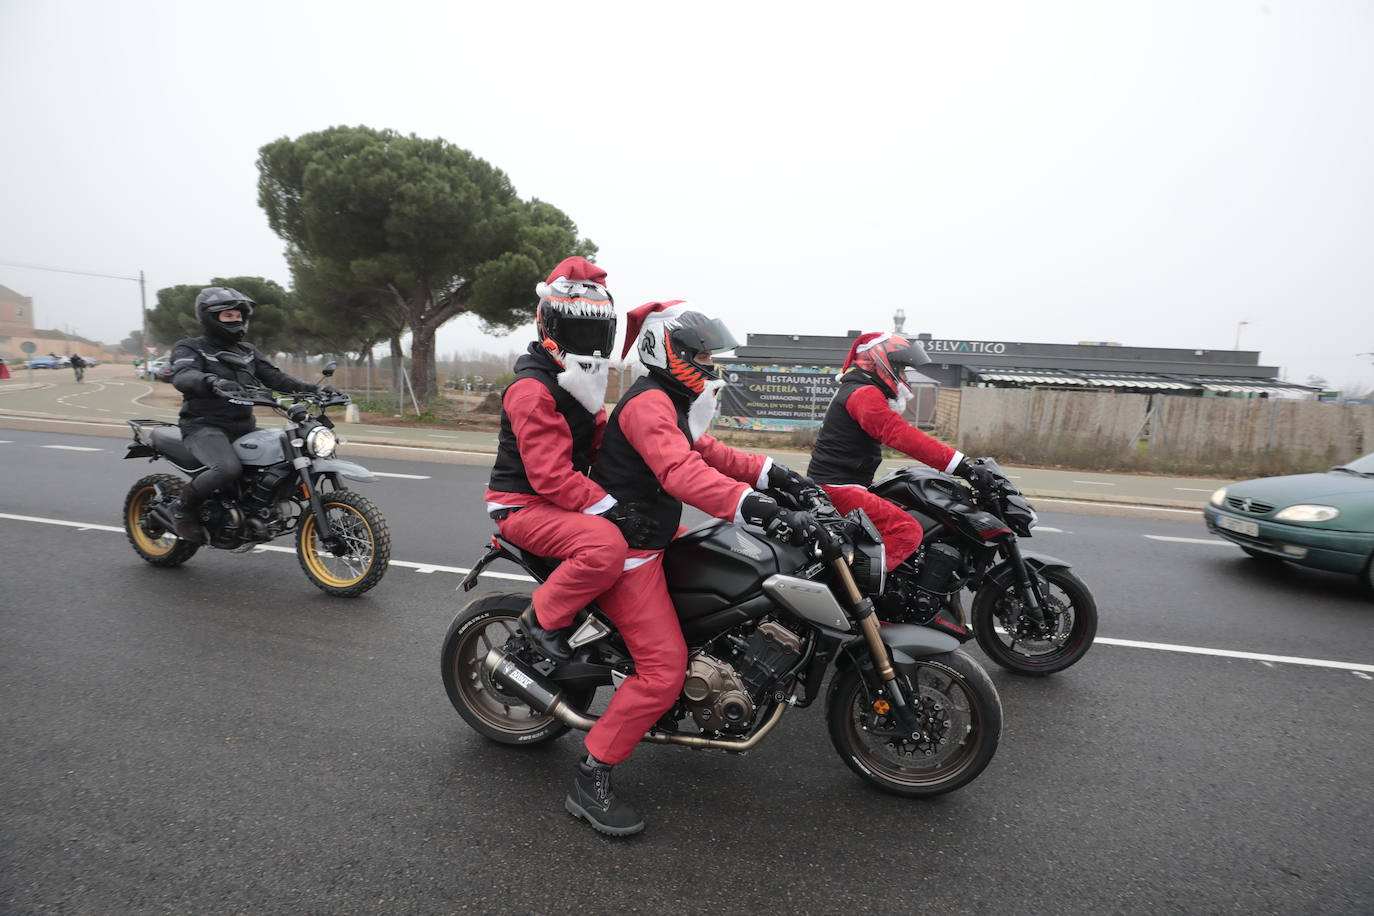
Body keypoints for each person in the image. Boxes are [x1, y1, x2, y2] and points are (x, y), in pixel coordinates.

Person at [571, 300, 817, 837]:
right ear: (666, 348)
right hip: (631, 552)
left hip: (656, 536)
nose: (707, 363)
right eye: (699, 353)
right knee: (662, 671)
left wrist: (780, 476)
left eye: (709, 354)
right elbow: (681, 472)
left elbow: (709, 451)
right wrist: (758, 506)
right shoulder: (648, 405)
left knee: (735, 568)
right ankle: (592, 776)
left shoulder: (669, 401)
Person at [483, 256, 642, 667]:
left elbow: (604, 444)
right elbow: (551, 476)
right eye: (577, 329)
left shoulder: (577, 381)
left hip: (557, 498)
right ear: (548, 326)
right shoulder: (532, 390)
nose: (588, 341)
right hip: (524, 503)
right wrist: (609, 506)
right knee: (604, 547)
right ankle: (543, 619)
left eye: (595, 330)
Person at [806, 331, 997, 594]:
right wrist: (960, 465)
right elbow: (899, 434)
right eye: (902, 369)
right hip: (839, 488)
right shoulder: (863, 394)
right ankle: (860, 600)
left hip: (844, 484)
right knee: (906, 530)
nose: (905, 377)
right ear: (882, 363)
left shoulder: (859, 388)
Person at [153, 287, 321, 543]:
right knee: (227, 469)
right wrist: (209, 380)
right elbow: (183, 376)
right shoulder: (190, 347)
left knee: (284, 457)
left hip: (243, 426)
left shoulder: (247, 351)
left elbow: (276, 378)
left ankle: (253, 509)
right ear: (210, 317)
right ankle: (182, 509)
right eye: (227, 315)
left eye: (238, 315)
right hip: (202, 426)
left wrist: (314, 390)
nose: (235, 320)